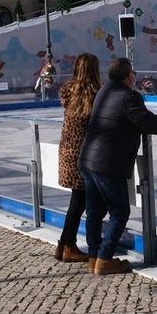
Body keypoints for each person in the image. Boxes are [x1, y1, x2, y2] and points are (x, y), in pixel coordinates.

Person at [78, 57, 157, 275]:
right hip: (107, 164)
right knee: (119, 211)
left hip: (89, 160)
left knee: (94, 211)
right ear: (129, 75)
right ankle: (104, 259)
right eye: (134, 74)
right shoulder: (129, 96)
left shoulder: (104, 91)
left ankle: (93, 257)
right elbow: (144, 120)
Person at [54, 53, 99, 264]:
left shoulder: (69, 91)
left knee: (78, 200)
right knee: (80, 202)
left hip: (67, 151)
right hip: (83, 154)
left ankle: (64, 245)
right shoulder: (95, 93)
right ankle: (68, 246)